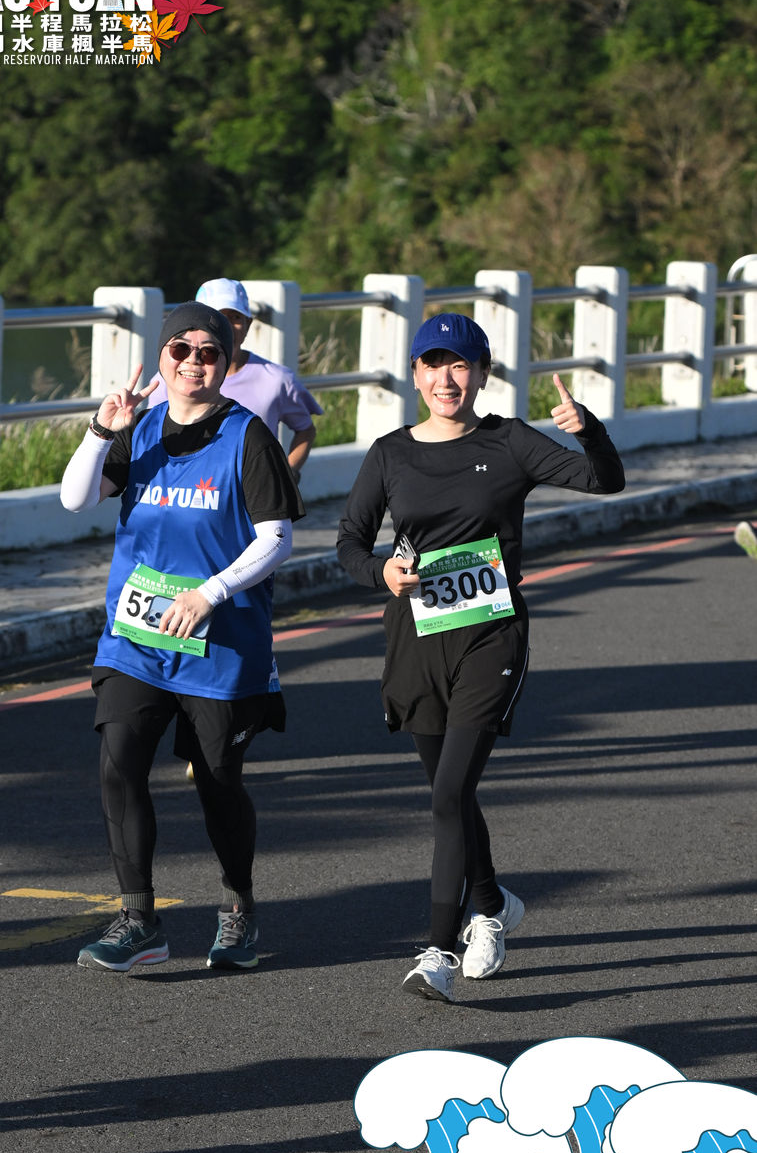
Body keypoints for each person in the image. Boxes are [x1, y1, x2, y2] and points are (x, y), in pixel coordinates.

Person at [337, 313, 625, 1003]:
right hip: (416, 639)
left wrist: (587, 430)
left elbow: (604, 480)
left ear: (482, 374)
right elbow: (348, 542)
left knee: (446, 794)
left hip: (490, 635)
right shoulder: (389, 453)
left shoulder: (509, 441)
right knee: (453, 793)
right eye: (433, 364)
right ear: (414, 375)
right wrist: (380, 572)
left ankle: (437, 950)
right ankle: (491, 905)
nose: (447, 379)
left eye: (460, 365)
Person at [60, 301, 304, 974]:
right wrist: (99, 430)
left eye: (209, 352)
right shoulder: (137, 430)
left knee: (218, 783)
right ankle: (139, 920)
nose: (194, 362)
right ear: (162, 357)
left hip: (221, 644)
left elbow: (277, 538)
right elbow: (75, 499)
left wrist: (208, 594)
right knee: (119, 763)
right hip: (136, 638)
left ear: (225, 364)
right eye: (181, 350)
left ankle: (238, 906)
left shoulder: (248, 436)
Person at [148, 278, 323, 482]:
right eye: (216, 318)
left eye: (235, 317)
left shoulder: (276, 379)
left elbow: (305, 429)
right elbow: (153, 438)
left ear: (248, 324)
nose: (227, 326)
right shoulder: (169, 380)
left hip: (253, 494)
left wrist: (287, 474)